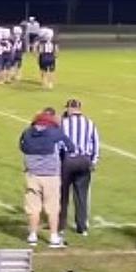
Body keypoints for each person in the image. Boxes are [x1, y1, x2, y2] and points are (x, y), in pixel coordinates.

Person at [20, 108, 76, 248]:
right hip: (51, 175)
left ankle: (32, 236)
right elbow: (71, 147)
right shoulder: (55, 132)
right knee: (52, 208)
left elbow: (22, 147)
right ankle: (53, 237)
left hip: (32, 174)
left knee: (33, 207)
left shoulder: (27, 132)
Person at [59, 99, 100, 238]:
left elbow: (58, 143)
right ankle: (82, 227)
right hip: (84, 160)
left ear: (70, 109)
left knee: (63, 194)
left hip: (68, 160)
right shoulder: (90, 123)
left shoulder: (63, 123)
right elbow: (96, 143)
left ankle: (60, 226)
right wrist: (93, 161)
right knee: (82, 195)